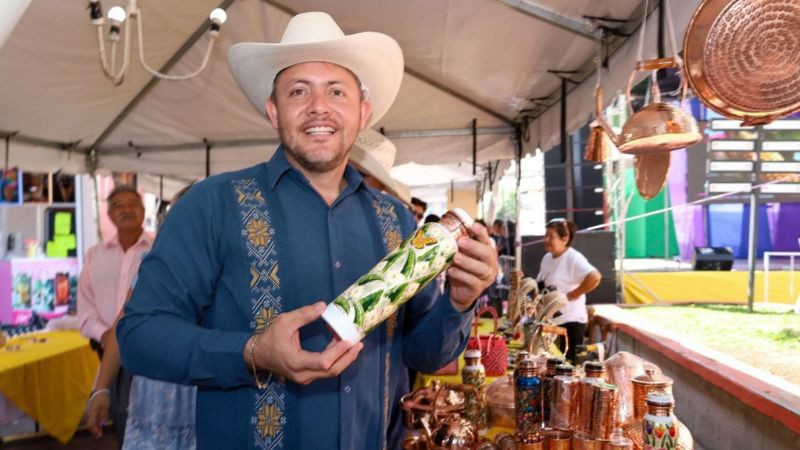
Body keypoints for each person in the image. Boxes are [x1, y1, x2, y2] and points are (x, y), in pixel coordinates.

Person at [117, 12, 498, 450]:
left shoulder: (396, 220)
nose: (319, 106)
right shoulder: (210, 205)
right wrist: (252, 352)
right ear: (273, 111)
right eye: (299, 91)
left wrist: (460, 302)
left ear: (362, 111)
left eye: (336, 91)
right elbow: (139, 337)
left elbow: (424, 354)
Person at [87, 185, 196, 449]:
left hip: (204, 400)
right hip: (155, 400)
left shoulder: (234, 270)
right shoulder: (155, 265)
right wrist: (101, 388)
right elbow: (124, 325)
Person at [78, 185, 152, 442]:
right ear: (109, 215)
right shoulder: (95, 255)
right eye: (119, 205)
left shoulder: (157, 249)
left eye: (133, 204)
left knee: (151, 416)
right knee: (121, 416)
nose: (127, 210)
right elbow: (85, 311)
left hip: (149, 352)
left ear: (144, 211)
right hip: (110, 350)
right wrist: (106, 334)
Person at [536, 218, 601, 363]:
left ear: (564, 239)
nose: (546, 239)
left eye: (551, 236)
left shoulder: (573, 257)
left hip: (570, 323)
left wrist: (574, 294)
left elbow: (595, 277)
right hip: (552, 323)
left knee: (567, 367)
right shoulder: (547, 258)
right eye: (545, 235)